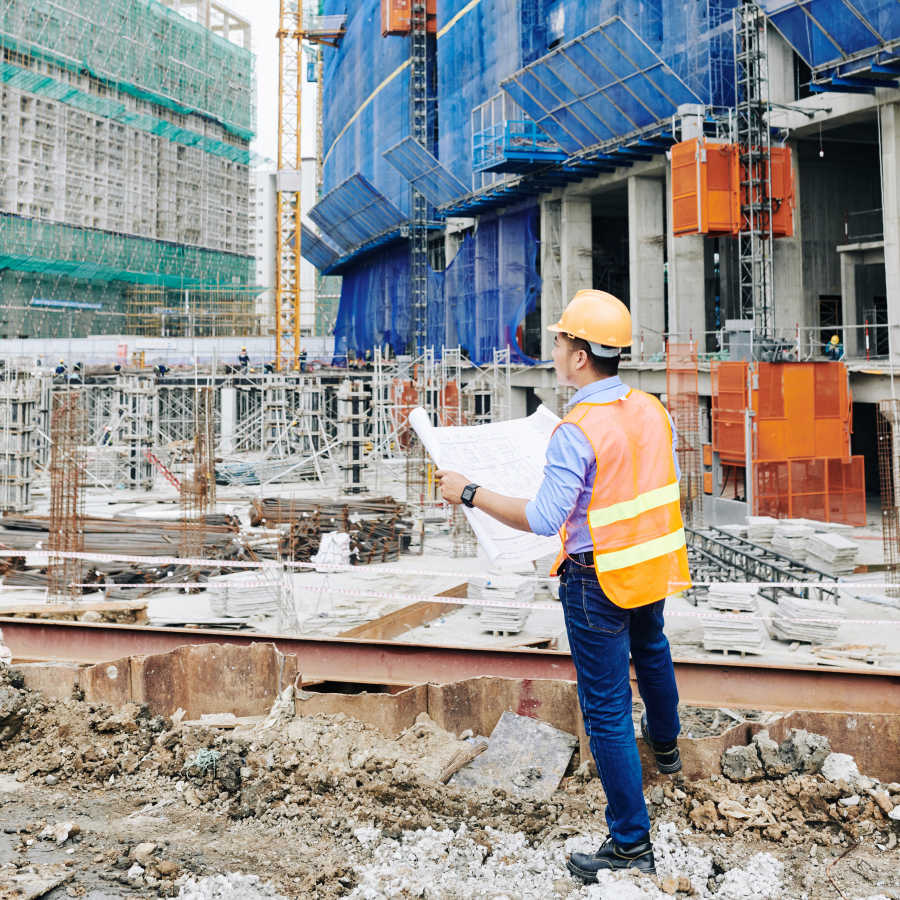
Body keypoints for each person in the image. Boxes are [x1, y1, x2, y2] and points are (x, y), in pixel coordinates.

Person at [436, 290, 691, 883]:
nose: (552, 349)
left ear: (579, 355)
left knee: (604, 711)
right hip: (647, 564)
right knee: (652, 651)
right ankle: (668, 747)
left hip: (595, 577)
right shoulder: (651, 408)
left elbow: (547, 519)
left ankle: (631, 842)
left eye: (558, 341)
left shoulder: (577, 429)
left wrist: (470, 492)